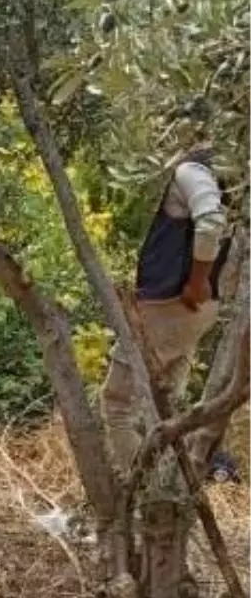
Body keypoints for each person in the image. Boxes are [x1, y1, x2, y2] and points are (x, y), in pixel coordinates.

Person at [101, 142, 230, 479]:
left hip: (170, 307)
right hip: (188, 308)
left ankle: (147, 494)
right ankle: (168, 489)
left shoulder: (193, 170)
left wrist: (197, 281)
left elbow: (211, 222)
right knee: (164, 407)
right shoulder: (229, 173)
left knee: (117, 403)